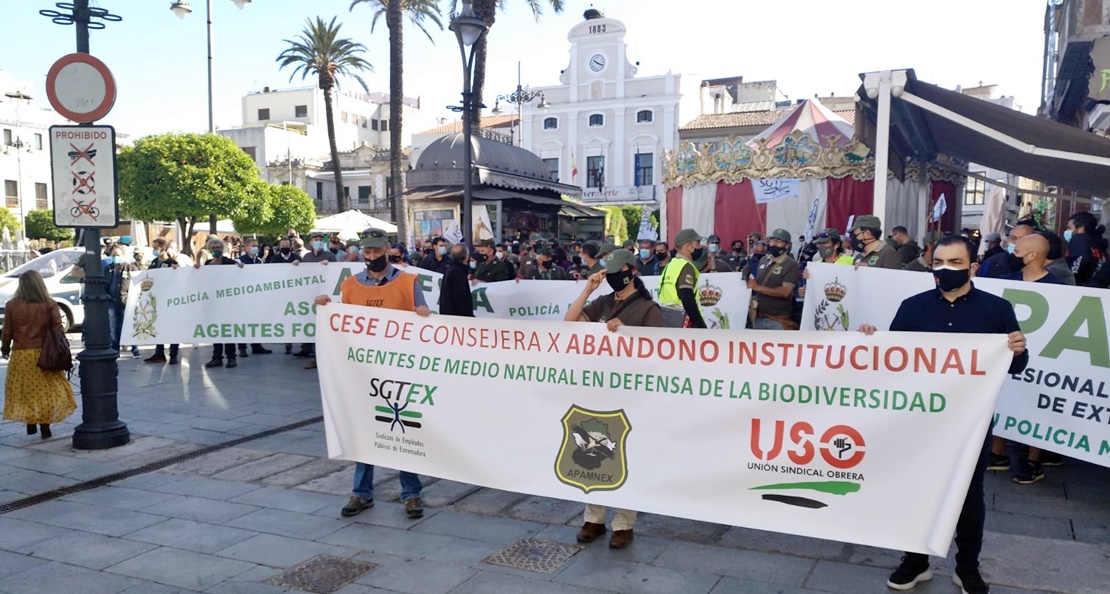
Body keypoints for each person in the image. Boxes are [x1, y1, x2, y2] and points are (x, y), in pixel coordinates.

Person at [860, 235, 1027, 594]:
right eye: (938, 262)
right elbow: (892, 361)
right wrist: (870, 340)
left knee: (969, 496)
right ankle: (916, 561)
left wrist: (1017, 349)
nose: (945, 269)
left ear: (972, 267)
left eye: (954, 263)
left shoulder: (995, 309)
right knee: (917, 489)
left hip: (971, 422)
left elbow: (1016, 366)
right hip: (919, 421)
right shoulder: (912, 307)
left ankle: (967, 567)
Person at [313, 228, 428, 520]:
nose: (372, 256)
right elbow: (346, 325)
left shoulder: (408, 281)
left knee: (404, 429)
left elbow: (422, 319)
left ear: (388, 249)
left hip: (400, 368)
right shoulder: (351, 286)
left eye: (377, 251)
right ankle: (361, 493)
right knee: (364, 430)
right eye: (368, 252)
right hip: (363, 372)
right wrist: (328, 308)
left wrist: (424, 312)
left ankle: (411, 493)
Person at [565, 249, 661, 549]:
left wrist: (627, 333)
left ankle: (624, 522)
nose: (613, 277)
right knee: (591, 452)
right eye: (609, 272)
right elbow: (571, 321)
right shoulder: (604, 301)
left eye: (618, 272)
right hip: (599, 386)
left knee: (624, 454)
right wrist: (587, 289)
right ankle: (593, 518)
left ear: (632, 272)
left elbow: (660, 349)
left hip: (630, 391)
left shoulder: (648, 307)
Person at [2, 270, 77, 439]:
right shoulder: (49, 304)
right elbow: (58, 330)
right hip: (45, 353)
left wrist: (5, 348)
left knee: (26, 389)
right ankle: (45, 425)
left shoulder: (12, 305)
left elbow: (7, 331)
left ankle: (30, 421)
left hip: (21, 354)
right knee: (47, 390)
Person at [197, 237, 243, 368]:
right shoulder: (207, 264)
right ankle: (216, 357)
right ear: (209, 249)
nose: (216, 250)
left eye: (218, 248)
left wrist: (240, 268)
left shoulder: (229, 262)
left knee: (227, 331)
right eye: (213, 248)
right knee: (216, 330)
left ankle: (231, 357)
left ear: (222, 249)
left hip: (227, 302)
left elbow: (239, 274)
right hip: (212, 302)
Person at [748, 228, 800, 330]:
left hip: (777, 320)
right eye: (772, 240)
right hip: (757, 317)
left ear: (787, 245)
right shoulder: (763, 260)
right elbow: (757, 282)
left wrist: (757, 287)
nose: (774, 243)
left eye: (779, 241)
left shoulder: (791, 264)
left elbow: (786, 292)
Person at [658, 229, 707, 328]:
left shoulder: (670, 265)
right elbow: (687, 298)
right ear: (688, 246)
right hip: (685, 322)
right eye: (697, 243)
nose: (700, 247)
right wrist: (700, 325)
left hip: (669, 320)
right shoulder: (686, 266)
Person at [144, 239, 182, 364]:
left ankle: (173, 354)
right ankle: (159, 353)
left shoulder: (172, 262)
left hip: (170, 300)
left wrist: (177, 270)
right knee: (157, 326)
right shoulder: (155, 262)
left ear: (163, 248)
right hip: (156, 299)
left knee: (172, 327)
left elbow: (179, 279)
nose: (154, 250)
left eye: (155, 248)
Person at [104, 244, 142, 358]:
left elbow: (139, 283)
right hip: (112, 302)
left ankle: (135, 348)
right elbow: (104, 284)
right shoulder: (108, 269)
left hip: (127, 302)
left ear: (123, 255)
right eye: (114, 255)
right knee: (113, 327)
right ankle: (115, 349)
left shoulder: (131, 268)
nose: (116, 257)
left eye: (118, 255)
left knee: (130, 326)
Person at [1065, 211, 1106, 286]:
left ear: (1081, 228)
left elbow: (1079, 261)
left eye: (1069, 228)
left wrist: (1069, 277)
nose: (1067, 231)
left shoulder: (1079, 239)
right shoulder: (1096, 243)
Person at [440, 244, 474, 316]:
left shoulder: (451, 269)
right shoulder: (458, 272)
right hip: (457, 317)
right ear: (466, 256)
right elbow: (459, 297)